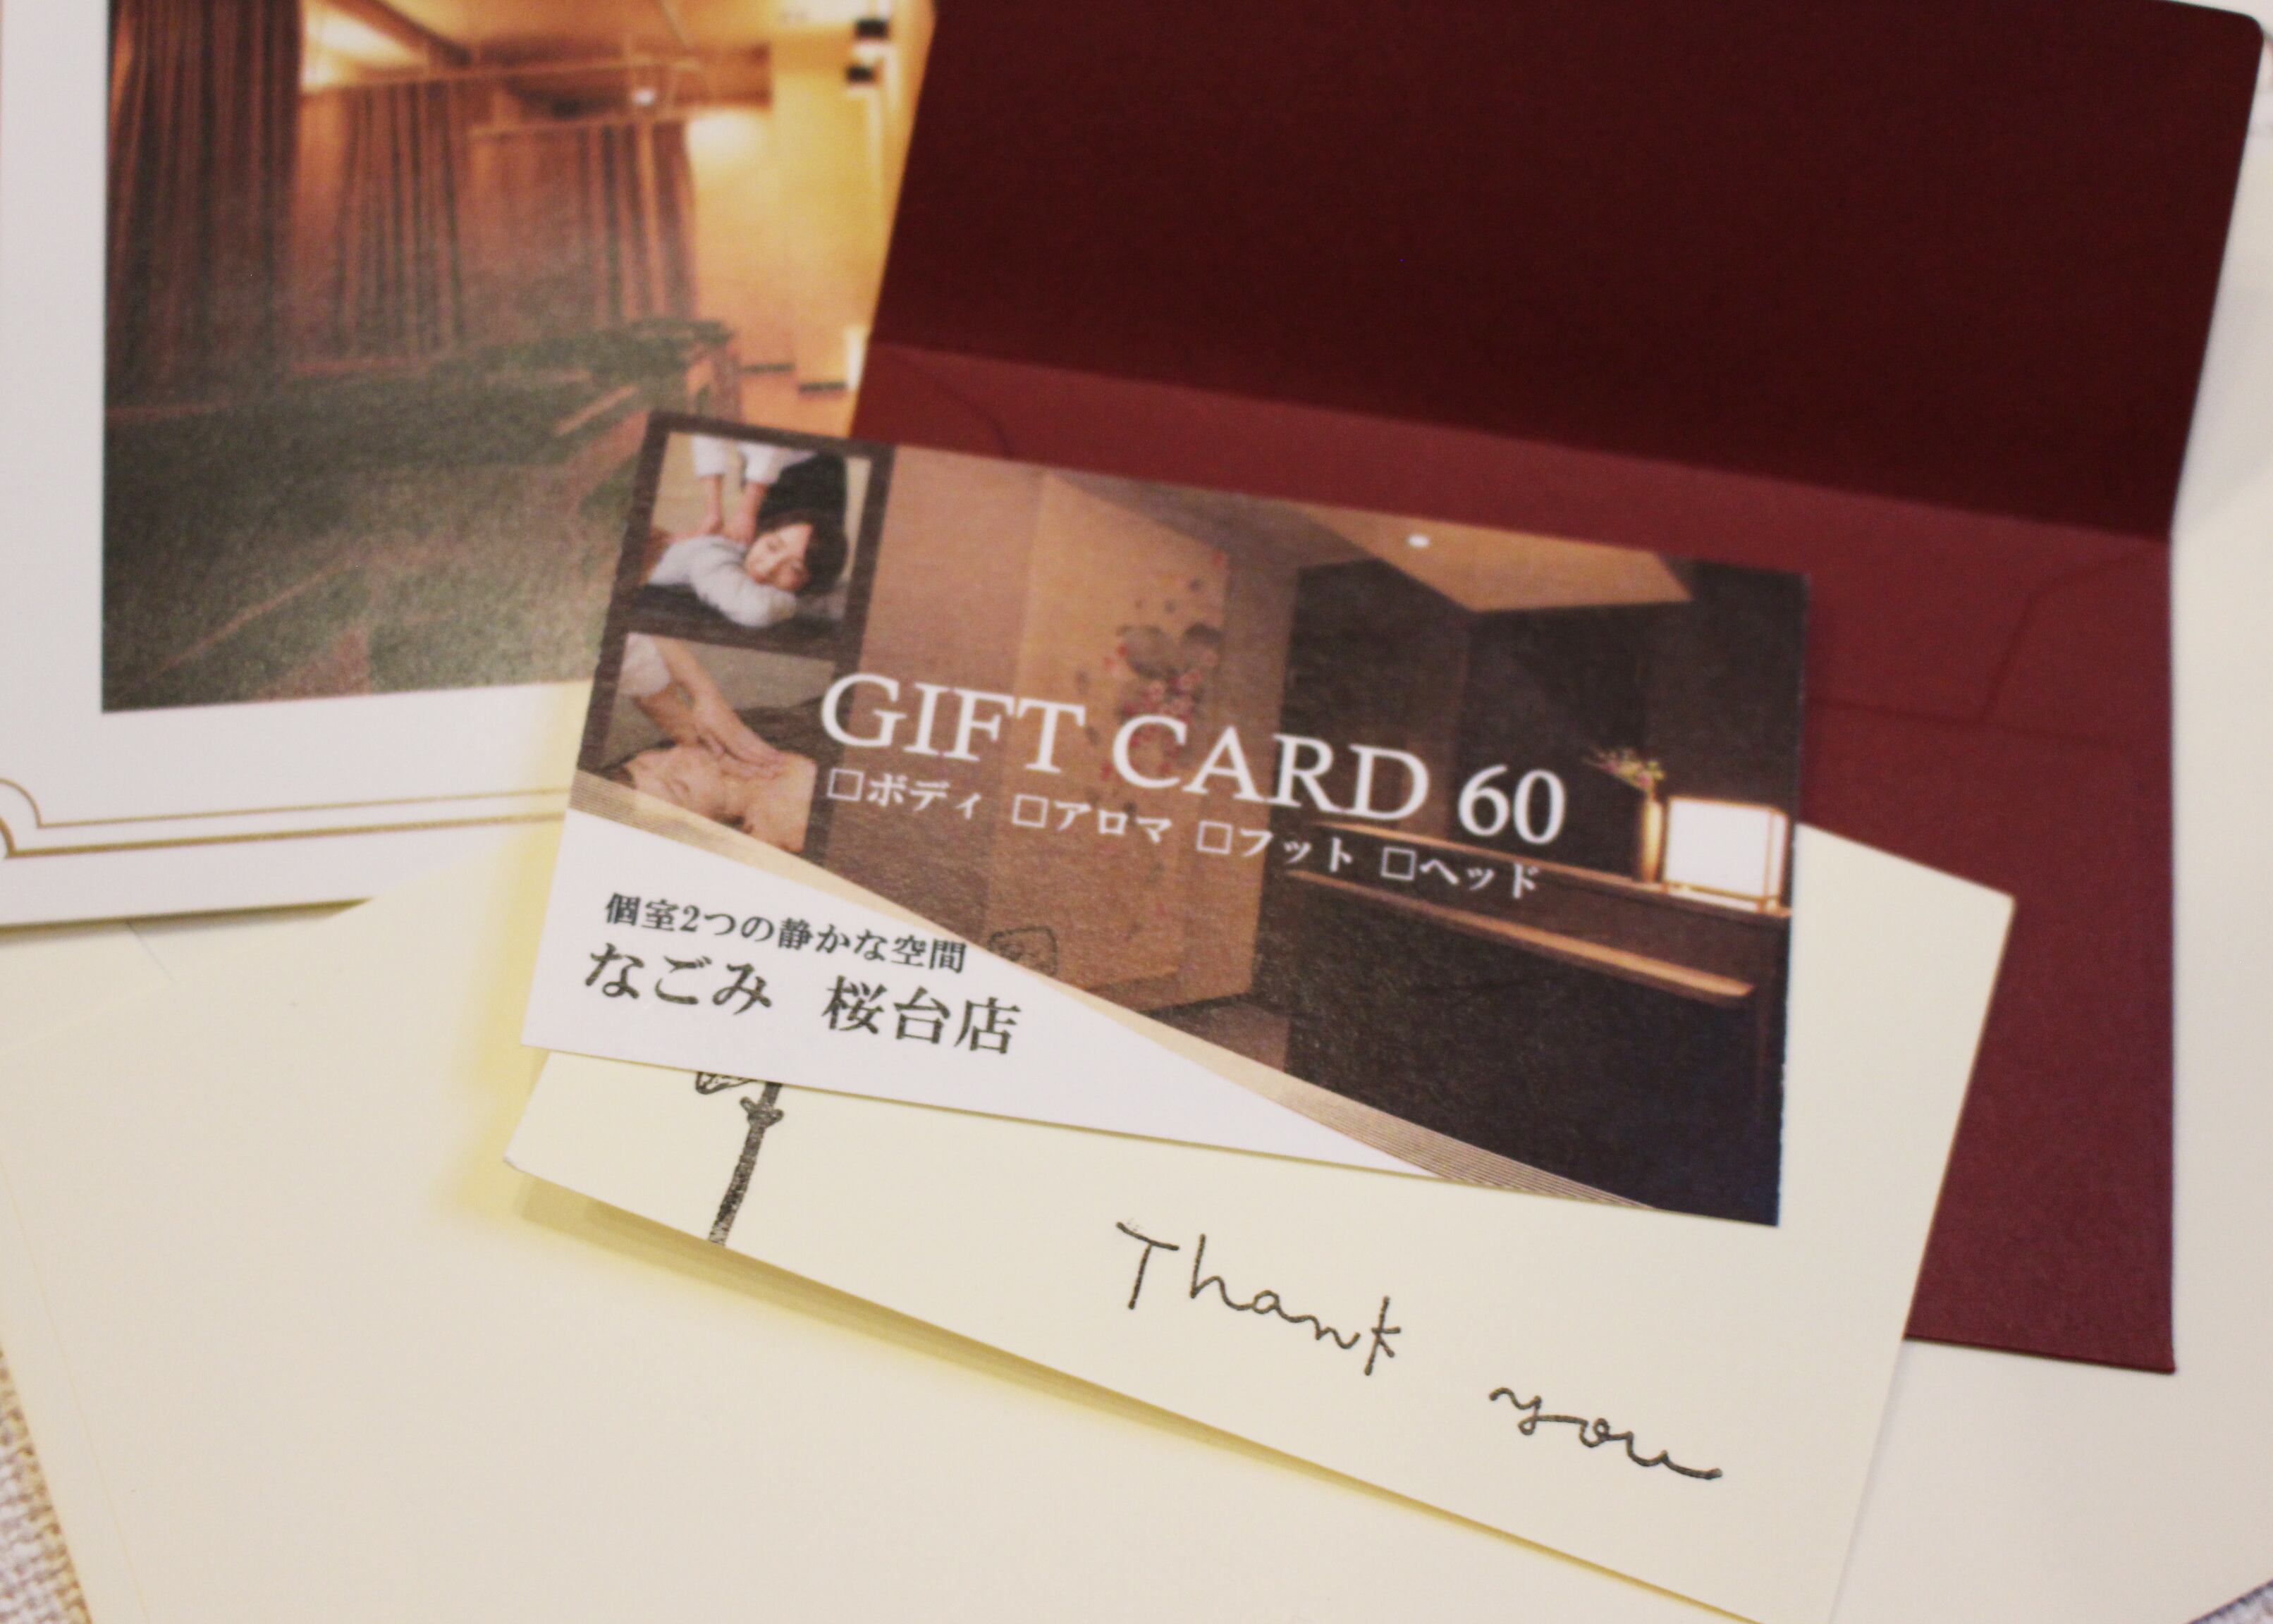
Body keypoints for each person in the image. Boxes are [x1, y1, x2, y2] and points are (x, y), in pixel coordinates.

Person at [610, 632, 816, 851]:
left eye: (645, 764)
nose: (676, 756)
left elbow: (641, 649)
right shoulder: (778, 837)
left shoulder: (723, 735)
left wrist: (704, 695)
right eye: (679, 787)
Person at [649, 436, 850, 629]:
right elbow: (758, 610)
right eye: (772, 547)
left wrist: (747, 512)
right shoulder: (715, 557)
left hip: (813, 469)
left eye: (794, 569)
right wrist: (713, 513)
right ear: (760, 536)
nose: (769, 567)